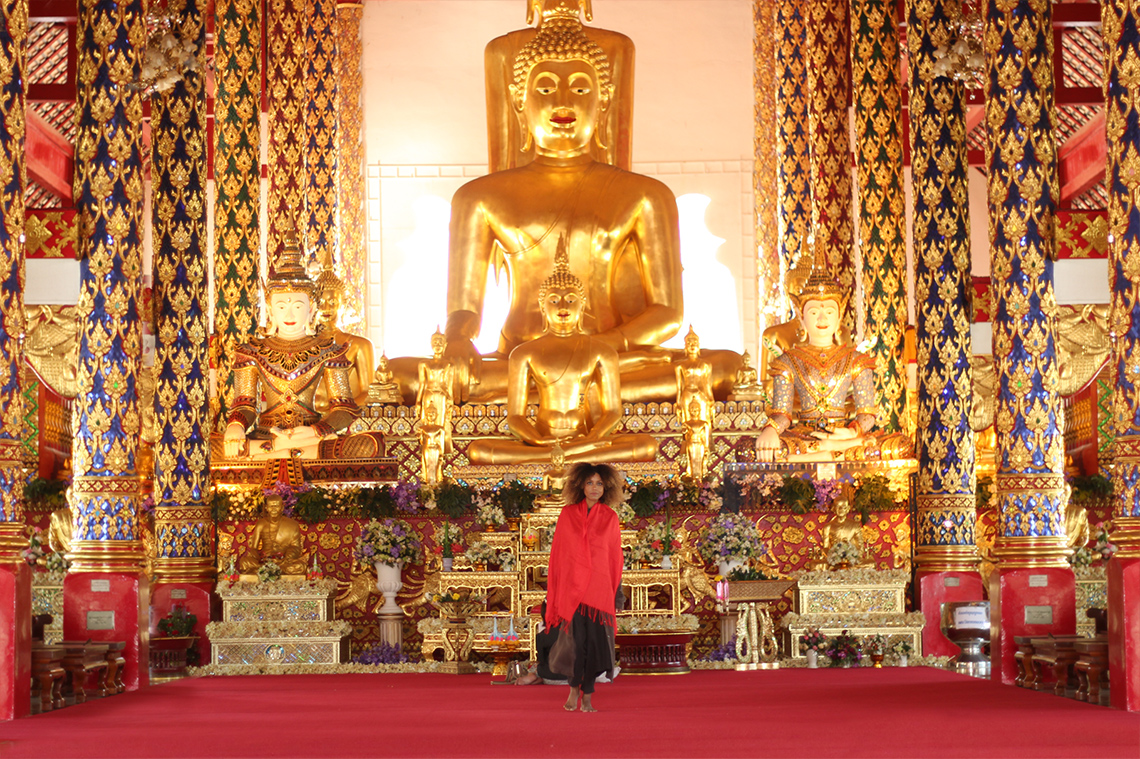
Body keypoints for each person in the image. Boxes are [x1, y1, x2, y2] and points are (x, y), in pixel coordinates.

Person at [466, 245, 658, 464]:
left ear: (583, 304)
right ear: (542, 306)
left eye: (571, 299)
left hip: (585, 437)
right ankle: (571, 457)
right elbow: (516, 417)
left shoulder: (601, 351)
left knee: (646, 446)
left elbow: (613, 412)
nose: (563, 305)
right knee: (478, 450)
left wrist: (592, 438)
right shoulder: (524, 353)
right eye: (554, 300)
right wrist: (538, 441)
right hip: (546, 441)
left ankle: (559, 457)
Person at [756, 274, 910, 462]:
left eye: (829, 312)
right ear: (802, 317)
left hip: (845, 436)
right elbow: (782, 413)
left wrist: (852, 431)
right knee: (752, 450)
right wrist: (771, 429)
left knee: (901, 445)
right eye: (813, 312)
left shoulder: (856, 360)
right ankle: (830, 452)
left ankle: (822, 452)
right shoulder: (787, 361)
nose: (822, 318)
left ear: (839, 317)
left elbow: (867, 414)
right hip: (805, 436)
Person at [545, 462, 624, 712]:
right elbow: (559, 555)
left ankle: (588, 694)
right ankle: (572, 691)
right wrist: (557, 593)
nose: (594, 488)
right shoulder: (567, 514)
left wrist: (615, 594)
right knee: (575, 645)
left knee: (594, 646)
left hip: (598, 594)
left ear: (606, 487)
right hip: (572, 593)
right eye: (589, 482)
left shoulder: (610, 517)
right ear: (580, 484)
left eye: (599, 483)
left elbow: (614, 558)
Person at [238, 493, 307, 575]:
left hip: (283, 562)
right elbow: (254, 548)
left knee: (300, 566)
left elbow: (296, 547)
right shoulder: (261, 524)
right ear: (266, 508)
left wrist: (285, 559)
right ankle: (269, 570)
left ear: (282, 508)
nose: (273, 509)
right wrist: (260, 558)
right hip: (264, 561)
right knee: (244, 562)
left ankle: (265, 572)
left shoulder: (292, 525)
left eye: (276, 506)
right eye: (271, 506)